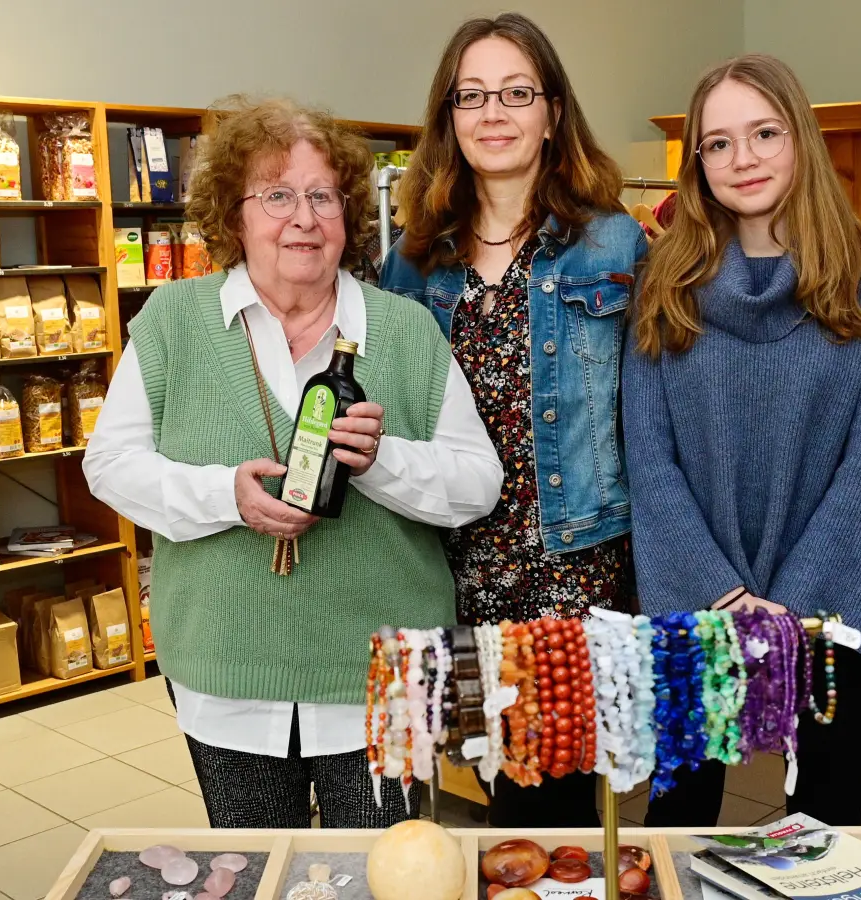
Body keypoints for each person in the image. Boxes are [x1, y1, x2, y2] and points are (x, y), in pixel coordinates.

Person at [84, 97, 503, 829]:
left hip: (386, 677)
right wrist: (225, 495)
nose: (303, 218)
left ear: (349, 215)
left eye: (322, 196)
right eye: (277, 195)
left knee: (386, 873)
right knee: (257, 865)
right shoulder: (173, 321)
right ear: (233, 214)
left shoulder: (405, 330)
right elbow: (112, 463)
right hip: (226, 668)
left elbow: (477, 482)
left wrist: (379, 463)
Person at [626, 54, 861, 827]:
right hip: (695, 606)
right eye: (717, 143)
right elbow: (650, 464)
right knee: (676, 830)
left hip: (826, 615)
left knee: (821, 834)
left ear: (801, 142)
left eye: (763, 133)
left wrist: (781, 611)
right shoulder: (663, 284)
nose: (742, 158)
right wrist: (725, 598)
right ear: (697, 164)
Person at [381, 13, 647, 828]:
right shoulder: (414, 258)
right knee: (493, 784)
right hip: (451, 568)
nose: (493, 113)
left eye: (516, 93)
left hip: (573, 563)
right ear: (449, 118)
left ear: (552, 112)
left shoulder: (612, 243)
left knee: (560, 804)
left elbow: (655, 416)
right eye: (472, 96)